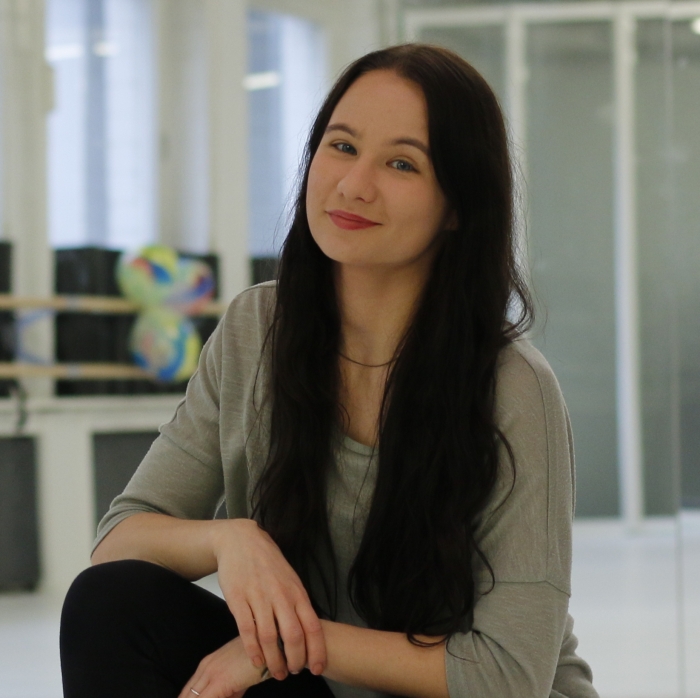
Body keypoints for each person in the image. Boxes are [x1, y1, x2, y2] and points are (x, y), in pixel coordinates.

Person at [60, 43, 599, 698]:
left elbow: (509, 676)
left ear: (458, 205)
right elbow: (119, 543)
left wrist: (281, 647)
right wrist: (232, 541)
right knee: (111, 604)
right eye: (342, 146)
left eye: (401, 163)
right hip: (319, 680)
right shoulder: (256, 328)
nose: (354, 184)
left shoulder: (512, 386)